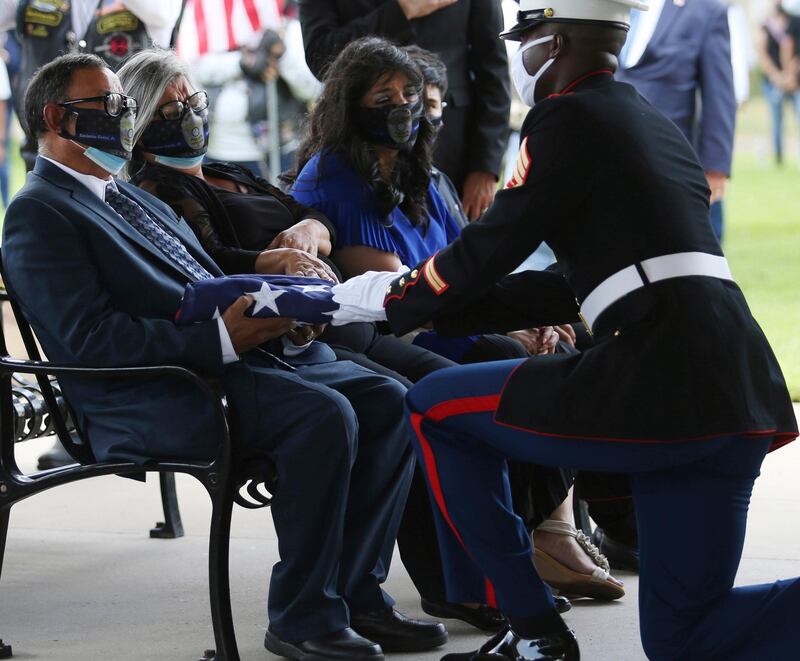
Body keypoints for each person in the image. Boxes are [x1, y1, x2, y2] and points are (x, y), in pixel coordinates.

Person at [327, 0, 800, 658]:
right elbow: (577, 282)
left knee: (435, 407)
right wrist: (446, 309)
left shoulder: (566, 117)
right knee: (689, 635)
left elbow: (489, 245)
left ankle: (533, 630)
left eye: (527, 36)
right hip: (731, 387)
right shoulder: (649, 120)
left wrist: (386, 299)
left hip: (656, 376)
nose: (519, 51)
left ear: (556, 42)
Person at [1, 52, 449, 661]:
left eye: (125, 106)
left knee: (391, 399)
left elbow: (201, 274)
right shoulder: (40, 211)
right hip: (152, 391)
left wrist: (277, 295)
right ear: (57, 117)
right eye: (111, 107)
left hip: (223, 364)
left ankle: (358, 594)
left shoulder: (122, 194)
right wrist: (221, 339)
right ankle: (303, 614)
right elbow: (91, 342)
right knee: (324, 415)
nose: (124, 118)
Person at [119, 46, 574, 630]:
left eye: (193, 97)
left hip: (342, 322)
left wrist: (310, 226)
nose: (190, 111)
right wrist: (275, 258)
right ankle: (452, 580)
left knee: (467, 380)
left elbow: (316, 222)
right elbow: (203, 268)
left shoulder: (228, 172)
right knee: (432, 396)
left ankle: (440, 576)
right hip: (303, 335)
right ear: (139, 118)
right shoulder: (161, 194)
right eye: (171, 104)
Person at [289, 35, 624, 604]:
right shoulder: (330, 177)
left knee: (577, 345)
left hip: (453, 314)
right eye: (383, 96)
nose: (403, 108)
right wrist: (503, 326)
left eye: (410, 94)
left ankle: (553, 529)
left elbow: (471, 263)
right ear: (351, 104)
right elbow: (396, 288)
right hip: (397, 325)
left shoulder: (427, 173)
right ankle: (530, 542)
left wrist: (530, 315)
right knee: (512, 362)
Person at [297, 0, 511, 221]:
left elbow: (493, 72)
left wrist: (485, 167)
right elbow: (320, 56)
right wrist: (401, 11)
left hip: (453, 146)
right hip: (361, 148)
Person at [617, 0, 736, 243]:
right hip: (610, 157)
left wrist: (715, 169)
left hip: (670, 164)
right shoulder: (611, 5)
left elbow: (719, 95)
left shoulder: (706, 11)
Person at [757, 1, 800, 165]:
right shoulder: (765, 26)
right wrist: (777, 76)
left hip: (794, 81)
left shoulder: (795, 21)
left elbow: (790, 49)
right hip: (773, 81)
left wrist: (789, 75)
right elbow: (762, 54)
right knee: (776, 121)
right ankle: (778, 157)